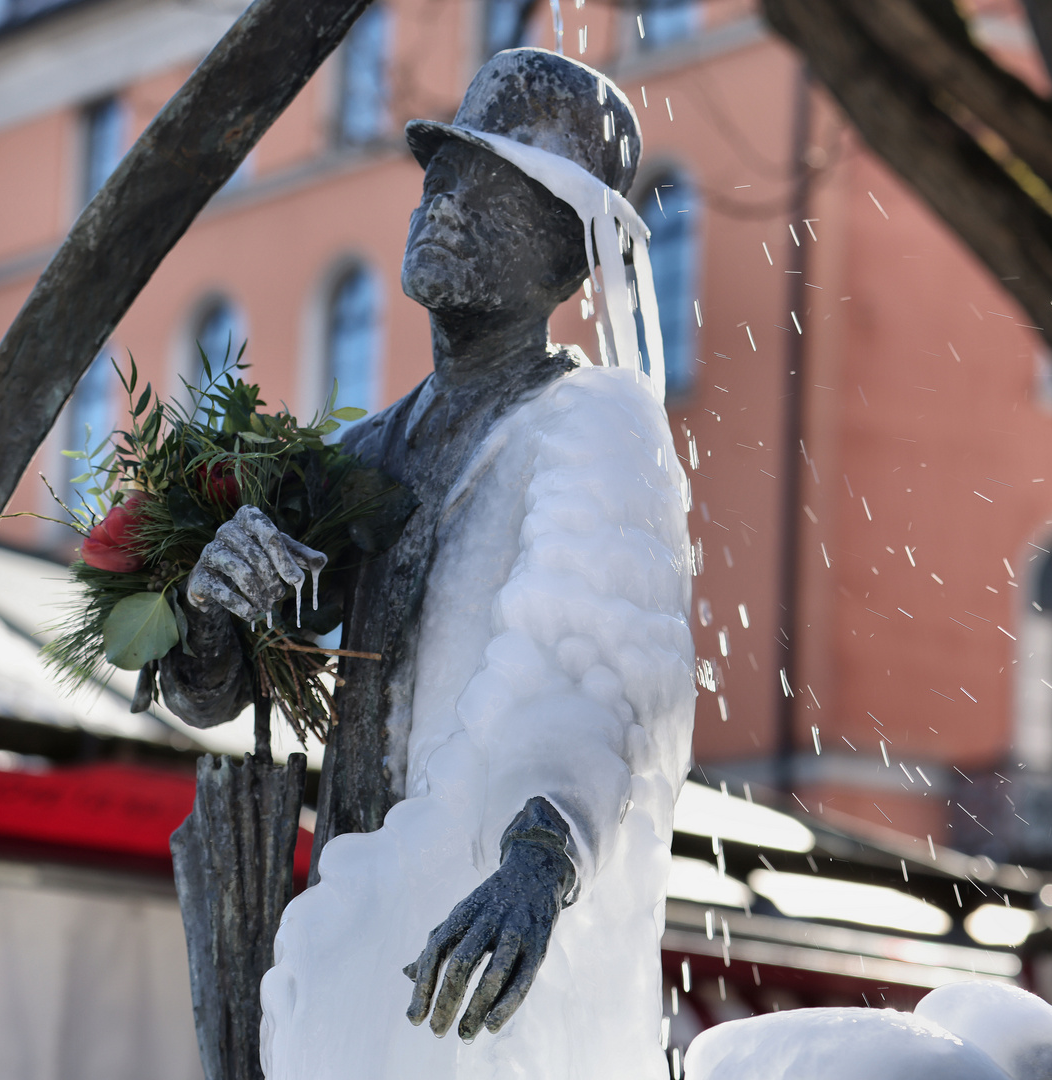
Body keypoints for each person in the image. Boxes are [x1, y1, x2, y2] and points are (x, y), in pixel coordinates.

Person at [157, 49, 696, 1079]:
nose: (442, 202)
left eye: (489, 190)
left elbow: (594, 668)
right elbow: (214, 690)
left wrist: (539, 863)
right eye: (440, 175)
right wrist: (214, 612)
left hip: (485, 949)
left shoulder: (594, 425)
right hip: (358, 941)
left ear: (564, 259)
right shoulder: (364, 456)